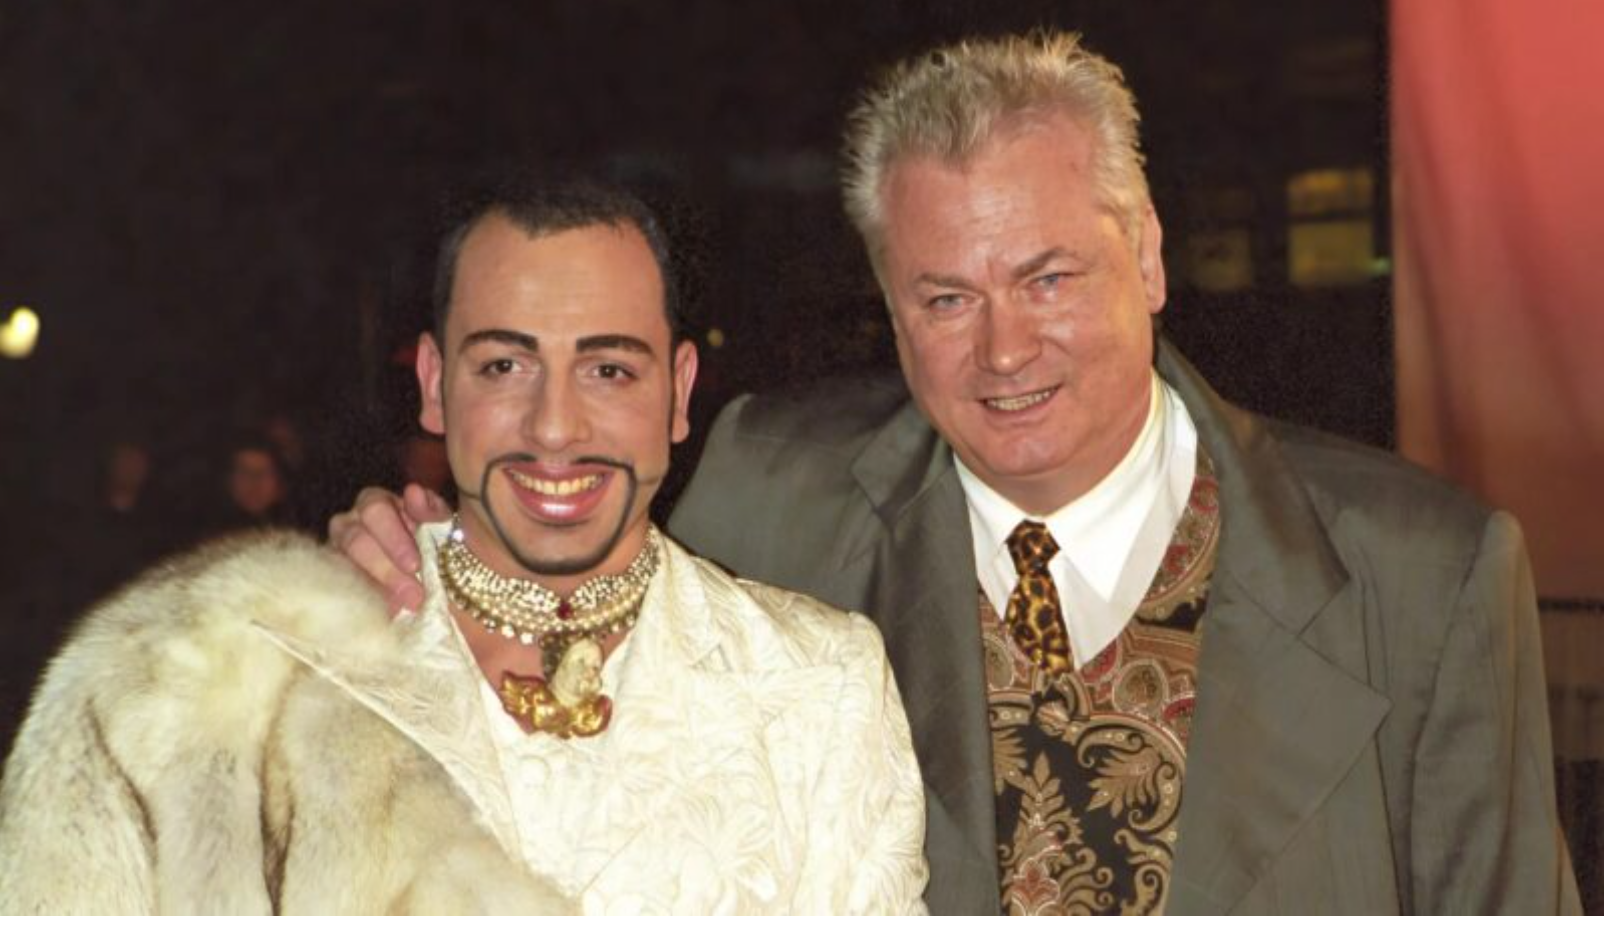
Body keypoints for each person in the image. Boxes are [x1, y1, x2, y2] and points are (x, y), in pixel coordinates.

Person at [330, 33, 1580, 915]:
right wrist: (397, 555)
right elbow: (565, 621)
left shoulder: (1421, 576)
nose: (1005, 349)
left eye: (1048, 277)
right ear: (889, 306)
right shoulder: (772, 489)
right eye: (945, 297)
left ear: (1147, 255)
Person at [0, 178, 928, 914]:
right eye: (504, 365)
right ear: (435, 385)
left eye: (608, 368)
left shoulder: (819, 688)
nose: (555, 426)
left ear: (679, 394)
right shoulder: (214, 682)